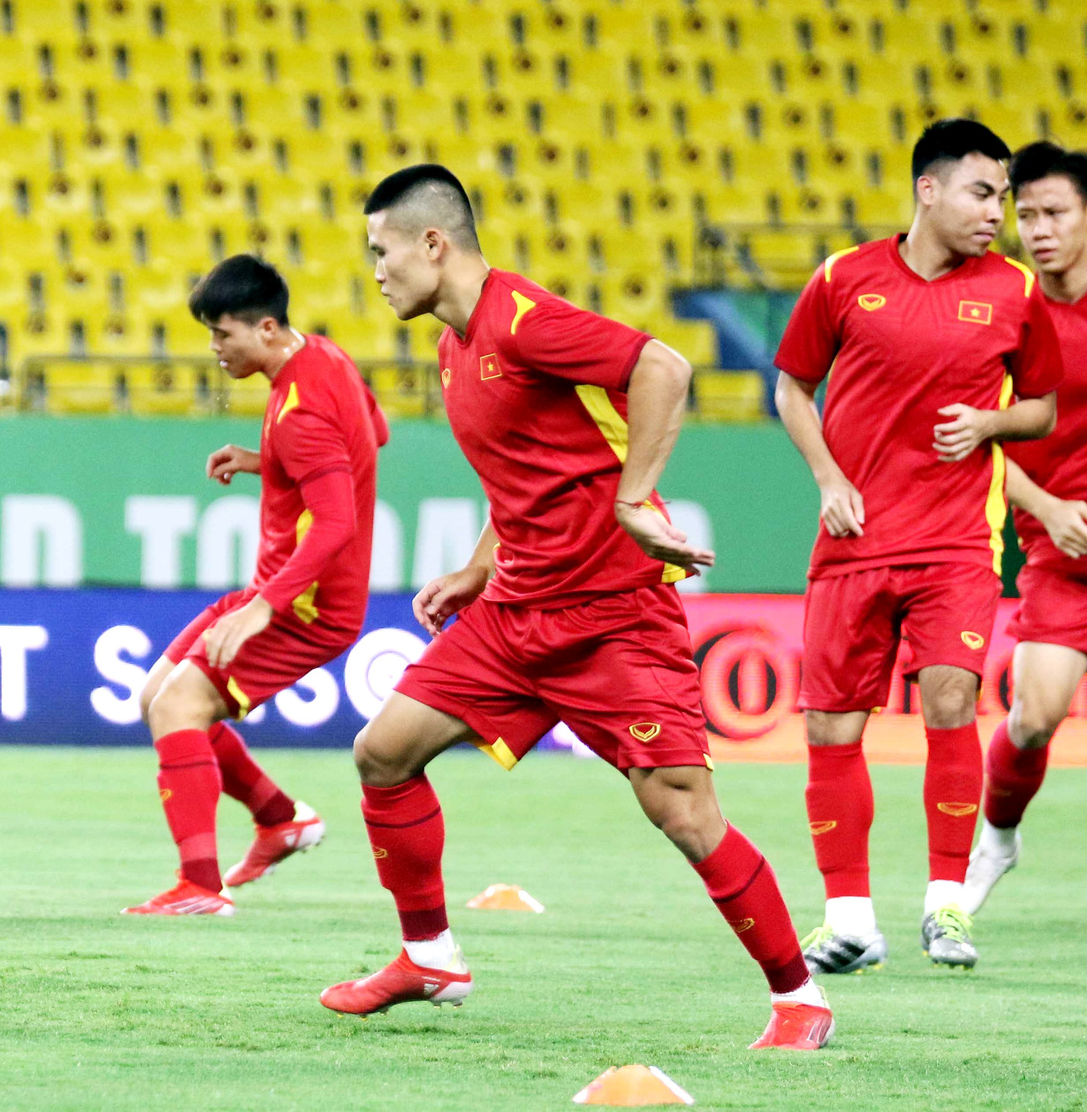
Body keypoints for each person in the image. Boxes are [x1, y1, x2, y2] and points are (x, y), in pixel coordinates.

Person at [324, 164, 830, 1051]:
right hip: (517, 613)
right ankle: (430, 955)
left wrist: (637, 498)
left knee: (683, 814)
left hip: (613, 615)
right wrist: (480, 568)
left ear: (432, 243)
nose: (375, 270)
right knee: (384, 753)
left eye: (381, 250)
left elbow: (662, 369)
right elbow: (531, 471)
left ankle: (800, 1000)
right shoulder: (452, 348)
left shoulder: (524, 319)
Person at [773, 119, 1061, 973]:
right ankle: (850, 919)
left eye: (1004, 199)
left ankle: (946, 907)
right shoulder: (844, 279)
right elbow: (791, 386)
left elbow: (1041, 406)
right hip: (853, 539)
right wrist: (827, 477)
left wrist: (991, 422)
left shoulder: (1015, 291)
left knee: (947, 703)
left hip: (956, 543)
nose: (997, 215)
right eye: (982, 194)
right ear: (928, 191)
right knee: (831, 726)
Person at [122, 253, 381, 917]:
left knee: (180, 709)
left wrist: (269, 604)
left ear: (266, 328)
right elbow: (371, 434)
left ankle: (201, 887)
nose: (215, 349)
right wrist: (269, 463)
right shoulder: (325, 357)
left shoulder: (300, 408)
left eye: (223, 334)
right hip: (282, 588)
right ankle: (279, 820)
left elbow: (335, 526)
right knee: (158, 698)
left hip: (304, 604)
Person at [965, 142, 1087, 912]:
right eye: (1027, 214)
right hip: (1055, 538)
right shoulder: (1004, 314)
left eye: (1057, 213)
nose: (1038, 228)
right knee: (1035, 718)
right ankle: (998, 835)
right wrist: (1046, 510)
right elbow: (978, 440)